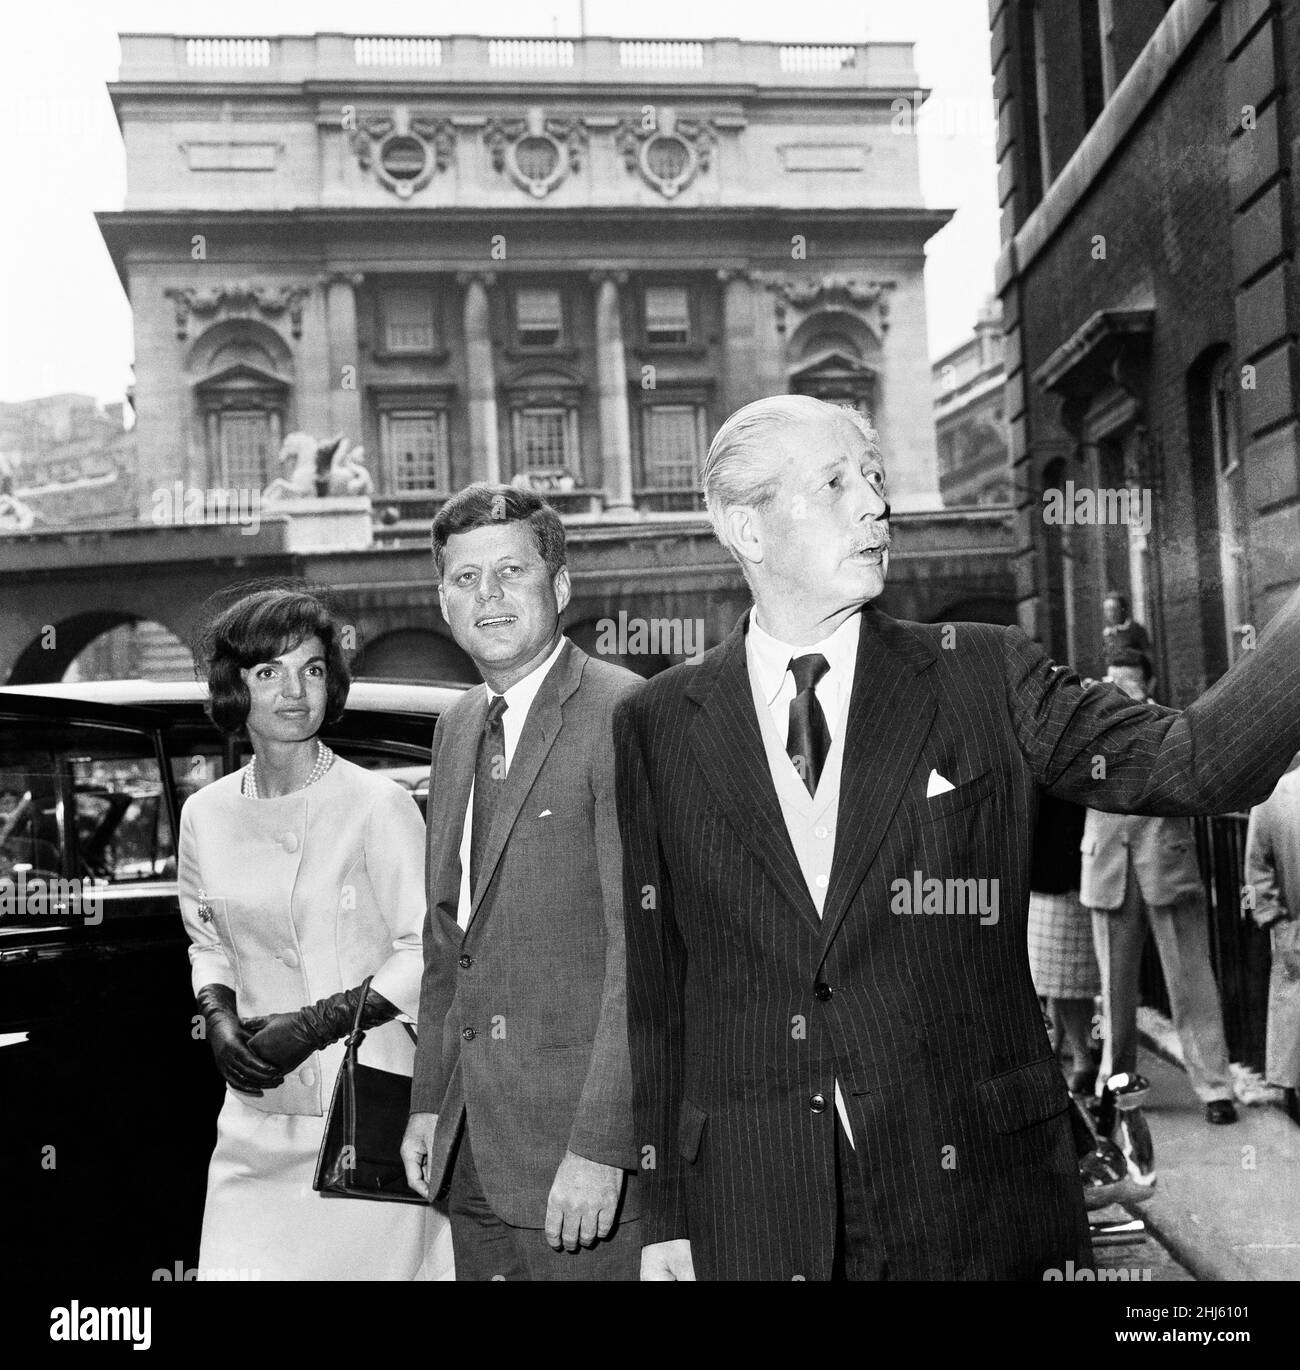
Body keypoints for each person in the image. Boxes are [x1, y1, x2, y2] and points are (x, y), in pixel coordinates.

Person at [613, 393, 1300, 1281]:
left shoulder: (982, 671)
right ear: (746, 527)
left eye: (874, 478)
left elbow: (1195, 763)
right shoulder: (660, 723)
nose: (874, 504)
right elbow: (657, 989)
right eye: (834, 484)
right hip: (757, 1203)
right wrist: (665, 1211)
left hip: (974, 1198)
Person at [400, 485, 642, 1280]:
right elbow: (449, 941)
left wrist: (603, 1147)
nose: (488, 596)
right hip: (471, 1152)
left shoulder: (622, 711)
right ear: (442, 599)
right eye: (465, 579)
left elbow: (641, 955)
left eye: (511, 571)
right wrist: (429, 1102)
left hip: (577, 1165)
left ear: (560, 587)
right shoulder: (459, 722)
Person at [179, 585, 452, 1280]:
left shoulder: (376, 805)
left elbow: (426, 949)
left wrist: (315, 1024)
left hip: (360, 1112)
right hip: (256, 1114)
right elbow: (205, 940)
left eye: (312, 669)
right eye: (269, 672)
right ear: (234, 689)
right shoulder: (205, 814)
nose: (295, 691)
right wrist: (217, 1016)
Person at [1080, 649, 1237, 1125]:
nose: (1118, 686)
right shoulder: (1088, 724)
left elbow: (1193, 766)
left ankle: (1215, 1088)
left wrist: (1137, 712)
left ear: (1148, 682)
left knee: (1192, 980)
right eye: (1113, 679)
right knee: (1114, 987)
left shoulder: (1171, 724)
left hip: (1165, 861)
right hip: (1108, 864)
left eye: (1128, 680)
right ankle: (1115, 1085)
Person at [1027, 791, 1101, 1094]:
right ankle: (1074, 1057)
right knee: (1061, 979)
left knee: (1067, 979)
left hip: (1068, 871)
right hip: (1055, 873)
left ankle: (1073, 1057)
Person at [1243, 752, 1300, 1121]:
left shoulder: (1277, 794)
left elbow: (1256, 868)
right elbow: (1257, 867)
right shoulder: (1278, 795)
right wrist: (1277, 921)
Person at [1101, 592, 1152, 669]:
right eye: (1107, 610)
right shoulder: (1107, 632)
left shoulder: (1135, 628)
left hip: (1134, 675)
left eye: (1114, 609)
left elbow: (1148, 655)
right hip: (1114, 676)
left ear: (1123, 609)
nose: (1111, 614)